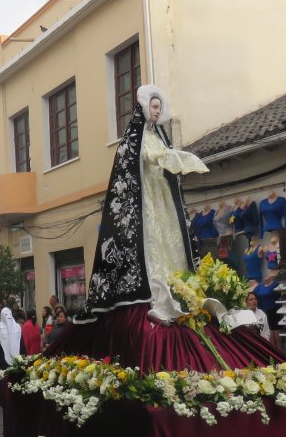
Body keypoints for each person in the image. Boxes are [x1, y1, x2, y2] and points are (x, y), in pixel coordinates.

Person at [82, 85, 209, 324]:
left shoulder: (159, 137)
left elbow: (163, 159)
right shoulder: (133, 138)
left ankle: (178, 290)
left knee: (169, 239)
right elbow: (145, 157)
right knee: (150, 239)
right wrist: (173, 157)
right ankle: (155, 294)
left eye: (159, 107)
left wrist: (175, 158)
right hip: (145, 196)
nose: (157, 111)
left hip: (162, 196)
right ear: (144, 107)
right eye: (154, 106)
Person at [0, 308, 26, 405]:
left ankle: (15, 402)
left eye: (9, 314)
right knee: (3, 384)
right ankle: (4, 402)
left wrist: (24, 358)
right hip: (2, 360)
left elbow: (21, 343)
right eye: (5, 315)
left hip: (17, 360)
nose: (8, 317)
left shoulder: (17, 327)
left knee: (16, 382)